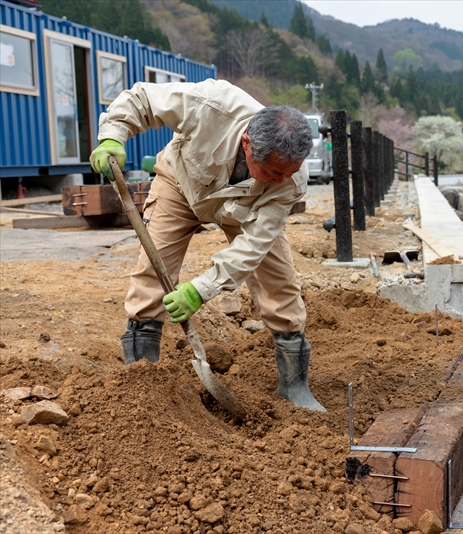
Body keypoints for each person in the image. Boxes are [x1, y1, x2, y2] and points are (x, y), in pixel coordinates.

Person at [89, 79, 326, 412]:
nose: (282, 180)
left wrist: (200, 290)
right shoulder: (210, 104)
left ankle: (294, 384)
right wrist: (113, 135)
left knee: (280, 283)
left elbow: (253, 246)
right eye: (273, 171)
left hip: (247, 210)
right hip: (182, 184)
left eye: (291, 172)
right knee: (152, 275)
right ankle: (142, 381)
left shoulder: (287, 182)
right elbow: (142, 98)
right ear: (247, 143)